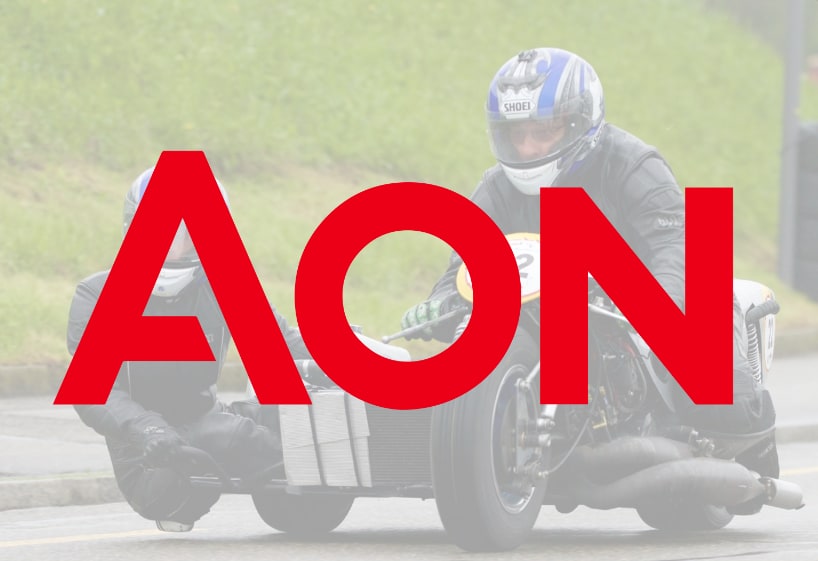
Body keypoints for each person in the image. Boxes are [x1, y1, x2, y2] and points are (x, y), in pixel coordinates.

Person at [400, 48, 778, 485]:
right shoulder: (496, 189)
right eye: (517, 133)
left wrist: (657, 309)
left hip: (659, 297)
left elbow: (677, 245)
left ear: (582, 122)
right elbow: (462, 269)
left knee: (724, 403)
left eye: (544, 131)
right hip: (559, 311)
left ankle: (758, 445)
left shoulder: (634, 164)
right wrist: (442, 305)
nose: (528, 147)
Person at [67, 168, 310, 531]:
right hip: (148, 462)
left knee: (296, 406)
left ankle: (330, 474)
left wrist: (350, 352)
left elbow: (286, 347)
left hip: (209, 425)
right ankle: (310, 468)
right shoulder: (98, 294)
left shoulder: (226, 284)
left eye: (189, 236)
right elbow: (93, 391)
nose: (176, 248)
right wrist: (149, 430)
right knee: (227, 433)